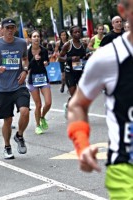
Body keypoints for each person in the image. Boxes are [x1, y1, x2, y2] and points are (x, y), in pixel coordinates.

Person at [67, 1, 133, 199]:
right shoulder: (107, 57)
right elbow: (77, 104)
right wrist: (81, 143)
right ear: (123, 11)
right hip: (125, 167)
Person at [0, 18, 30, 159]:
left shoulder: (21, 43)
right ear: (2, 29)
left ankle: (19, 135)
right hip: (3, 88)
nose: (10, 30)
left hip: (19, 85)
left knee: (24, 111)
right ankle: (7, 146)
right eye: (7, 28)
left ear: (15, 29)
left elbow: (25, 60)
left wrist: (25, 71)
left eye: (12, 27)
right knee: (8, 120)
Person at [58, 26, 89, 118]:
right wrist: (70, 58)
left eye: (79, 32)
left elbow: (83, 56)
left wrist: (86, 56)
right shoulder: (68, 45)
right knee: (74, 95)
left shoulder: (84, 44)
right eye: (75, 32)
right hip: (70, 72)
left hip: (79, 71)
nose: (77, 34)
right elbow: (59, 58)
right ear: (71, 34)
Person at [27, 30, 51, 135]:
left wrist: (46, 63)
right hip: (33, 79)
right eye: (34, 36)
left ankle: (42, 116)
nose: (36, 38)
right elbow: (26, 66)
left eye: (38, 36)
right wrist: (33, 59)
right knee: (38, 104)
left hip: (43, 78)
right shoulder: (27, 51)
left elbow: (47, 61)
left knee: (48, 102)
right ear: (30, 39)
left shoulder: (44, 50)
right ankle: (37, 125)